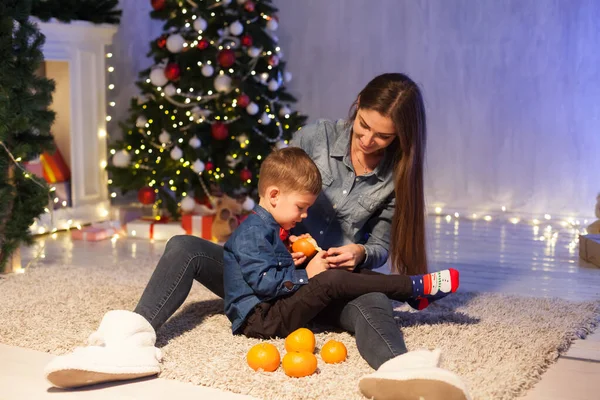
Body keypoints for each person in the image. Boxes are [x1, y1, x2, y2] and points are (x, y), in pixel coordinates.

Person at [44, 73, 471, 399]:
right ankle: (128, 344)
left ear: (402, 136)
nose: (367, 140)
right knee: (183, 247)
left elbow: (379, 246)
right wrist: (284, 247)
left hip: (329, 281)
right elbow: (277, 187)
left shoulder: (397, 174)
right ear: (357, 106)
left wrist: (359, 252)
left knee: (372, 298)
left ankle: (400, 371)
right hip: (274, 273)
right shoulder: (316, 137)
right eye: (363, 126)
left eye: (382, 136)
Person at [224, 146, 458, 340]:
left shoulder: (269, 227)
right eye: (301, 207)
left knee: (337, 267)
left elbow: (267, 267)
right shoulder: (252, 232)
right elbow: (265, 284)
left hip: (274, 307)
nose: (304, 216)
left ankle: (412, 292)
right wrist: (307, 274)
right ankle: (412, 287)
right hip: (261, 320)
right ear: (274, 196)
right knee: (329, 280)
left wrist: (290, 258)